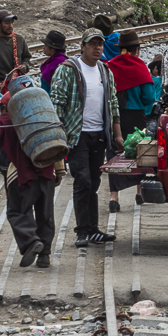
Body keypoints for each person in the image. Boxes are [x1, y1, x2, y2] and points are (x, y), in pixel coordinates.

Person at [50, 28, 123, 247]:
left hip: (99, 135)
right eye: (92, 44)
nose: (97, 48)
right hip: (76, 135)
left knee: (93, 182)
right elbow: (57, 105)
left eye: (100, 44)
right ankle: (82, 231)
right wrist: (58, 137)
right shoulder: (68, 70)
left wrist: (117, 134)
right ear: (82, 46)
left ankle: (93, 229)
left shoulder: (105, 71)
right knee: (82, 180)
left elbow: (113, 103)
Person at [0, 89, 63, 269]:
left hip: (19, 174)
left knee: (17, 211)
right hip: (47, 171)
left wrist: (5, 172)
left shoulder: (2, 123)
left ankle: (31, 242)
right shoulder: (41, 118)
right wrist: (59, 171)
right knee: (45, 215)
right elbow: (57, 142)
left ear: (5, 107)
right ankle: (44, 255)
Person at [106, 30, 158, 213]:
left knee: (114, 153)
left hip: (115, 117)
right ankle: (139, 193)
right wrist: (144, 109)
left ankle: (114, 198)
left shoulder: (110, 66)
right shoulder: (140, 66)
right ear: (137, 49)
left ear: (120, 49)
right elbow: (149, 96)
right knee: (139, 153)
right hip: (136, 116)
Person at [0, 10, 31, 85]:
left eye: (12, 22)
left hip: (18, 84)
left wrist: (25, 66)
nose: (10, 25)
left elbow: (27, 58)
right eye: (7, 23)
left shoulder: (20, 40)